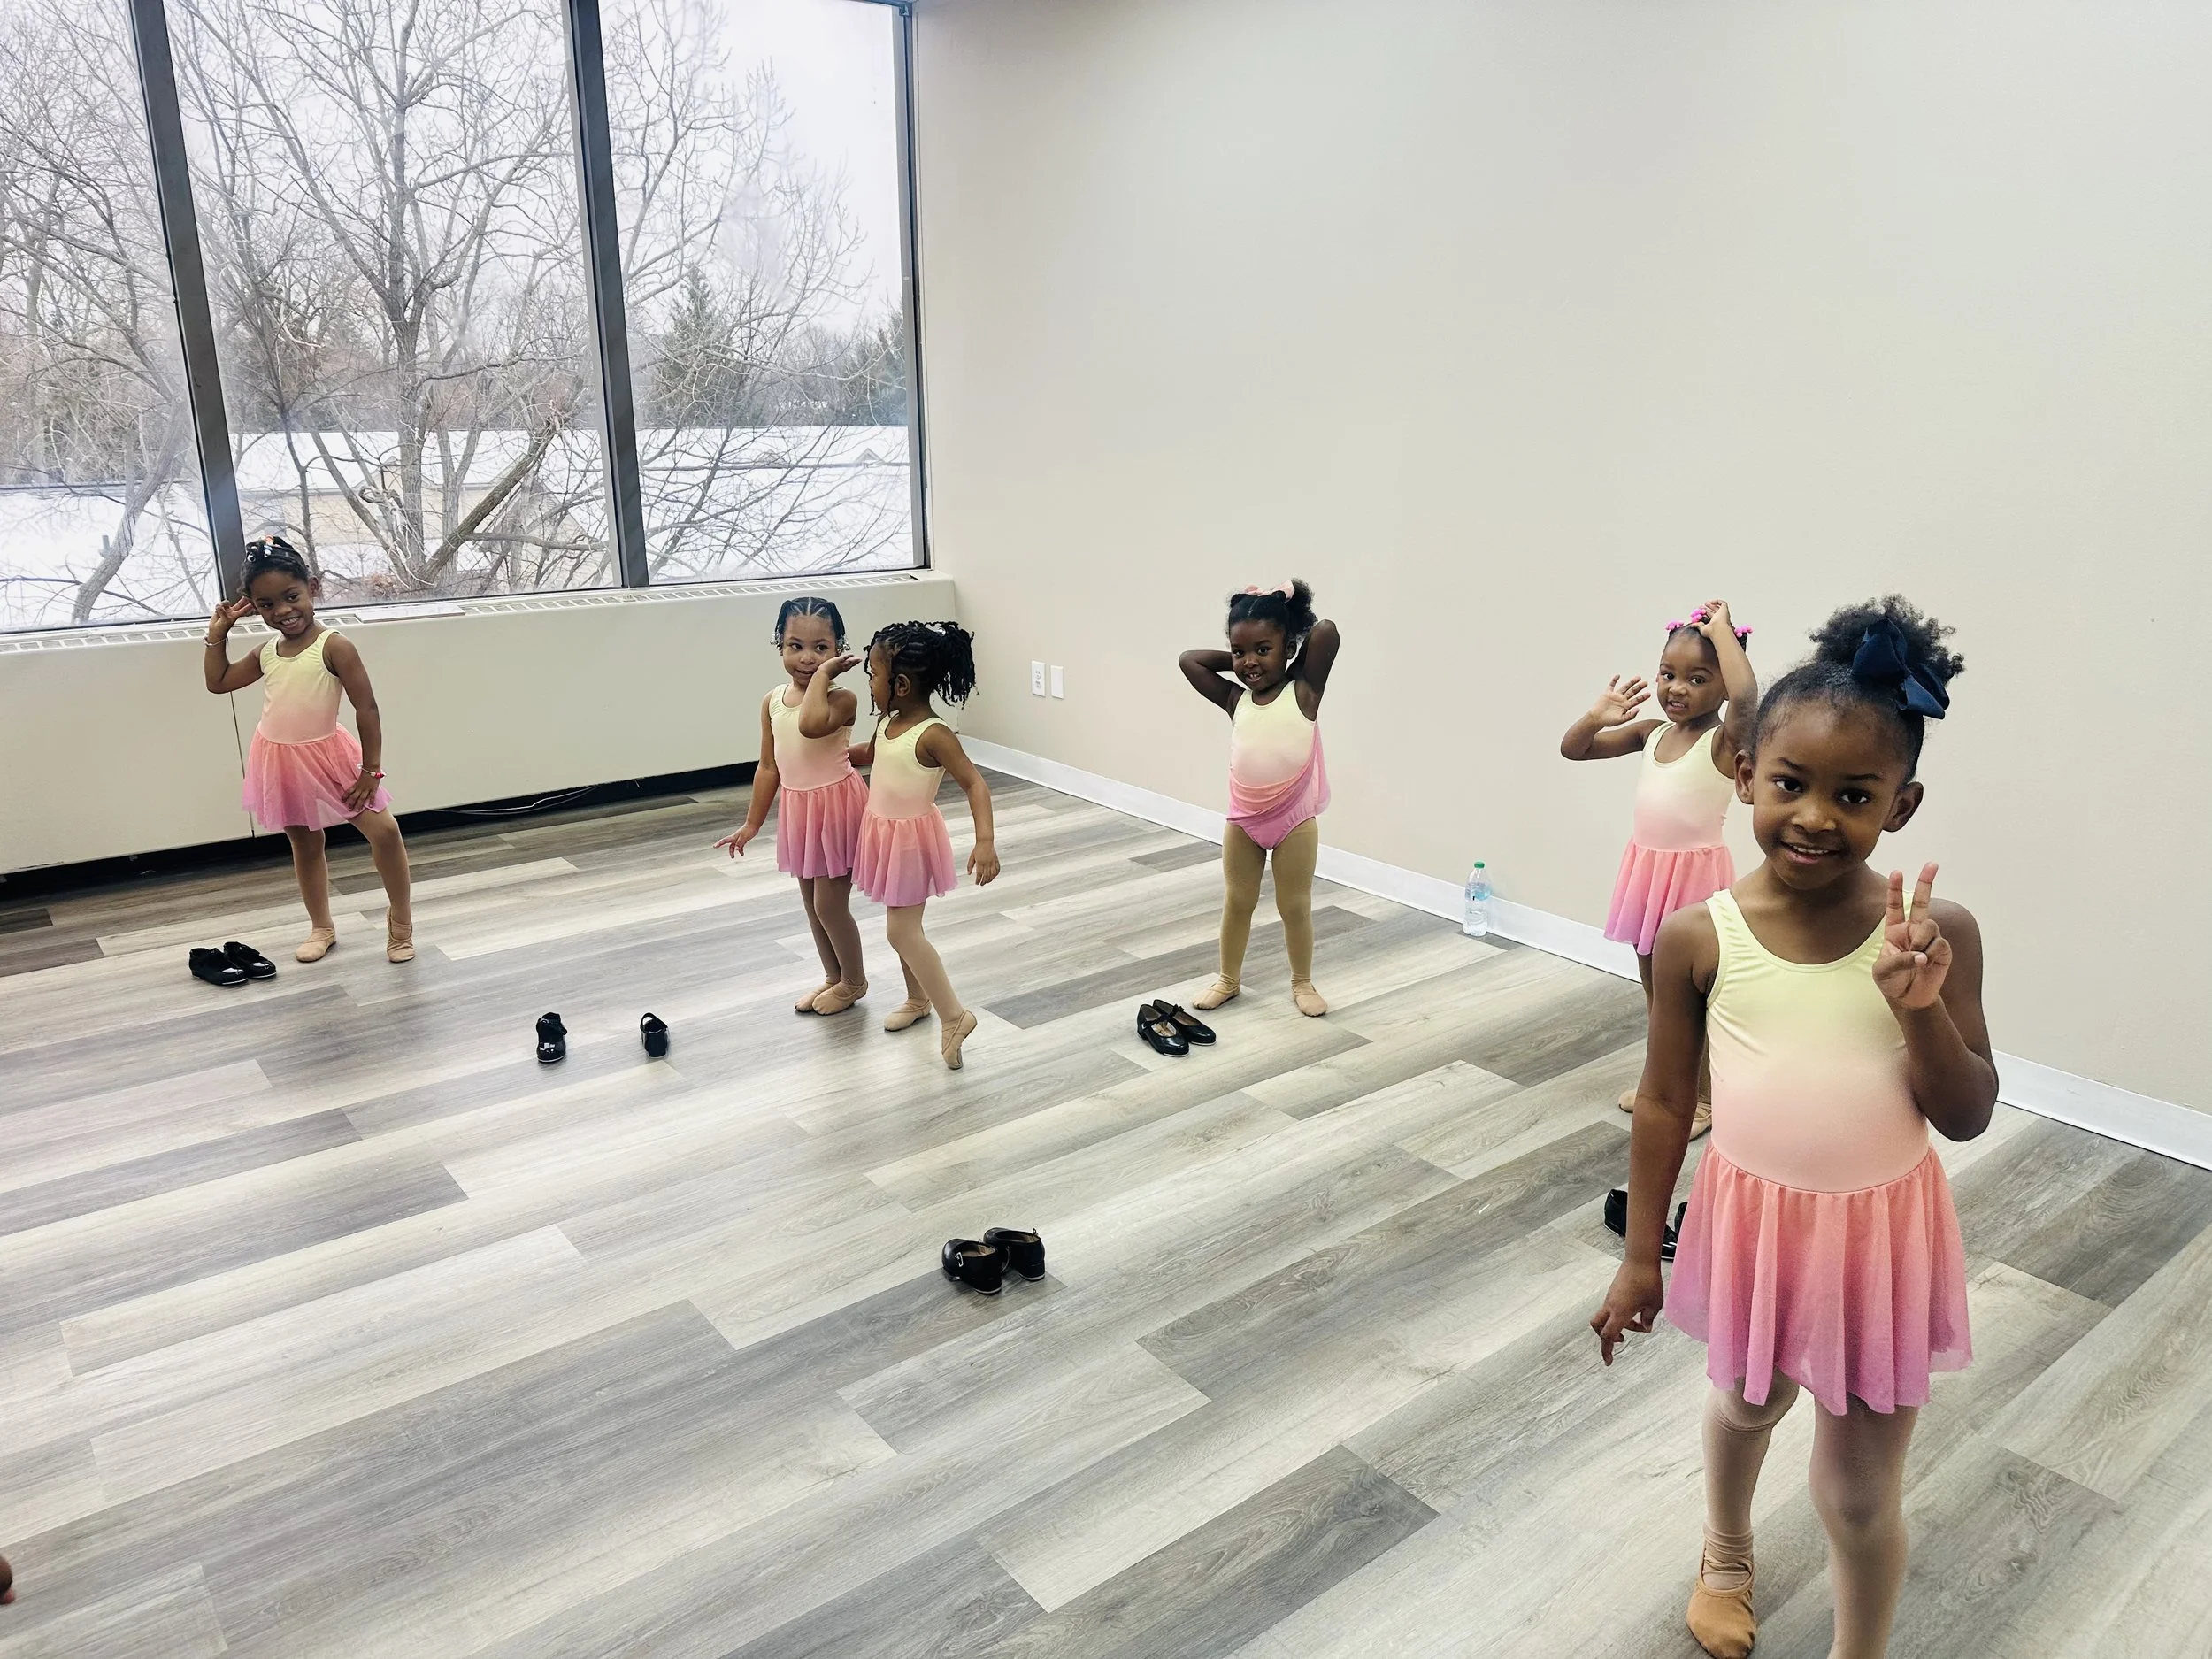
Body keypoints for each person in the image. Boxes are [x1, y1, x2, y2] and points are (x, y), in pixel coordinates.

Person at [1591, 596, 1995, 1659]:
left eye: (1853, 794)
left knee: (1858, 1496)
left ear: (1899, 806)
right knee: (1745, 1402)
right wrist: (1641, 1258)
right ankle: (1725, 1550)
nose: (1816, 815)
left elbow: (1964, 1115)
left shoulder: (1934, 935)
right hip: (1754, 1222)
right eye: (1791, 784)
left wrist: (1919, 1012)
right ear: (1743, 776)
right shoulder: (1696, 937)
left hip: (1879, 1239)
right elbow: (1670, 1103)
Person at [1562, 601, 1758, 1136]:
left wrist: (1724, 635)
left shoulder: (1724, 743)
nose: (1677, 688)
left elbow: (1747, 699)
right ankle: (1665, 1087)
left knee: (1693, 1000)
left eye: (1698, 678)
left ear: (1720, 686)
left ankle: (1703, 1100)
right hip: (1648, 877)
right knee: (1658, 997)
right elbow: (1574, 751)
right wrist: (1594, 717)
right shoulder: (1649, 733)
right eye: (1669, 673)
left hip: (1693, 883)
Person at [203, 536, 415, 963]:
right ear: (253, 606)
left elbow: (366, 708)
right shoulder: (267, 652)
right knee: (304, 842)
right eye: (266, 605)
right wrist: (216, 635)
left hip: (330, 756)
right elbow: (219, 682)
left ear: (312, 587)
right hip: (279, 757)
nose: (282, 611)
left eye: (291, 596)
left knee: (386, 832)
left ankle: (401, 922)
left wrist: (370, 770)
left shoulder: (334, 646)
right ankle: (321, 927)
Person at [837, 620, 998, 1069]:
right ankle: (917, 999)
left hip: (909, 840)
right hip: (883, 832)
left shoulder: (934, 734)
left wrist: (985, 842)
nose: (869, 682)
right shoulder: (889, 720)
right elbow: (873, 754)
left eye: (873, 673)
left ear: (901, 684)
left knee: (900, 930)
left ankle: (954, 1015)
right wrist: (833, 753)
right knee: (904, 927)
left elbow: (974, 784)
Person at [1177, 580, 1341, 1017]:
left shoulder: (1304, 692)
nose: (1249, 662)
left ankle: (1302, 982)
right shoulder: (1236, 700)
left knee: (1294, 905)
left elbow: (1326, 631)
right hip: (1244, 822)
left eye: (1262, 650)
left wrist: (1286, 651)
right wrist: (1244, 661)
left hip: (1294, 822)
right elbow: (1188, 660)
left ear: (1288, 648)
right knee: (1238, 901)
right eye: (1238, 652)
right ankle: (1228, 979)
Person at [716, 597, 872, 1014]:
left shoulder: (843, 700)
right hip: (800, 809)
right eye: (795, 645)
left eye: (821, 648)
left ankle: (855, 980)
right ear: (779, 646)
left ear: (839, 648)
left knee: (829, 903)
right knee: (810, 900)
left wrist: (823, 676)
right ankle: (833, 977)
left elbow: (810, 723)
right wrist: (751, 824)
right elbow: (769, 767)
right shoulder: (771, 701)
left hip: (838, 806)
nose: (807, 658)